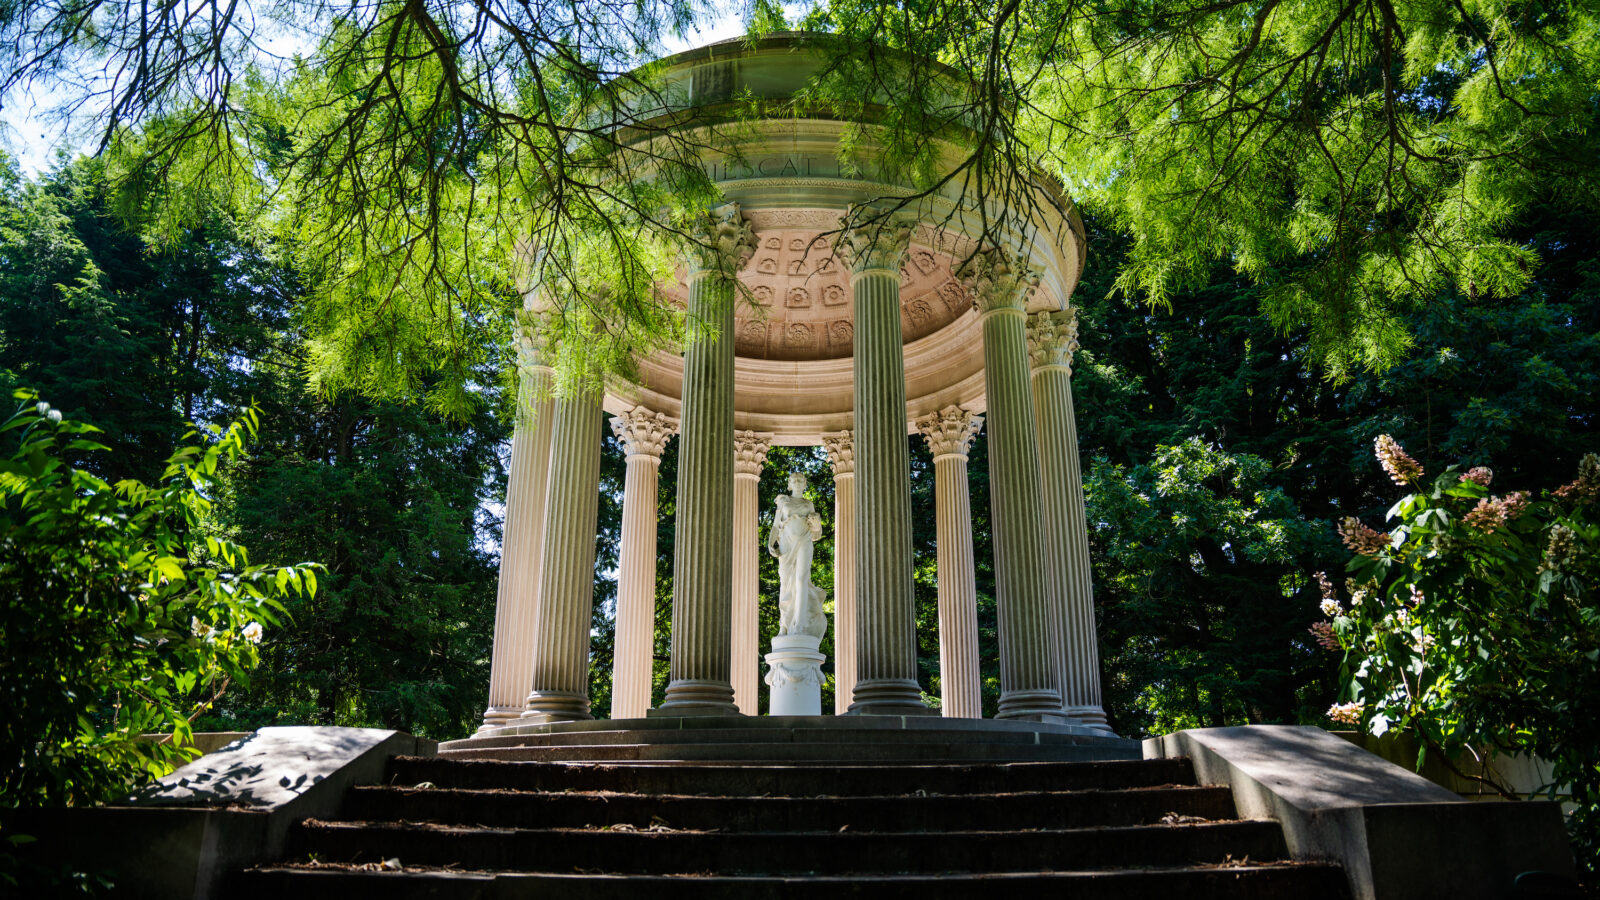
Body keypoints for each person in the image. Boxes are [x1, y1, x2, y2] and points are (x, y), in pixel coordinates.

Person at [766, 470, 828, 638]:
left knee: (801, 580)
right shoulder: (784, 502)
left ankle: (799, 625)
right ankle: (784, 625)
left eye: (801, 480)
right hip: (786, 546)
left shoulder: (809, 504)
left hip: (804, 542)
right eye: (794, 480)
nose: (798, 482)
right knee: (786, 584)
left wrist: (816, 524)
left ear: (805, 484)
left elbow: (816, 532)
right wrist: (771, 543)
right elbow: (775, 526)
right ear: (789, 484)